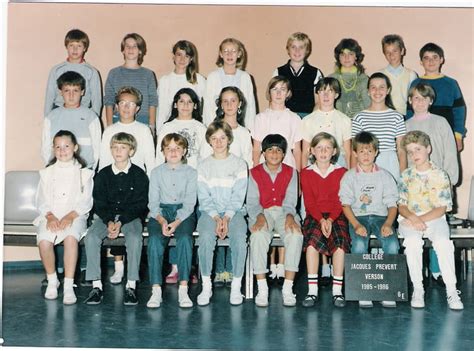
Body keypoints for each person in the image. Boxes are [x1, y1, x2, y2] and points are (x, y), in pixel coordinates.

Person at [398, 130, 463, 310]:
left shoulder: (440, 174)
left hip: (434, 218)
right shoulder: (406, 176)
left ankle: (451, 290)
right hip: (409, 219)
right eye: (410, 152)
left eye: (418, 149)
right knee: (412, 242)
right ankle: (418, 289)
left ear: (428, 149)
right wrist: (413, 218)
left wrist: (420, 220)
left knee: (443, 243)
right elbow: (401, 205)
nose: (414, 155)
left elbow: (442, 207)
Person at [84, 132, 149, 306]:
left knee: (135, 238)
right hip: (106, 217)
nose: (118, 151)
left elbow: (141, 204)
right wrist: (109, 221)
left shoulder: (139, 174)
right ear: (111, 150)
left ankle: (131, 286)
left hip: (130, 217)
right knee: (91, 237)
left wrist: (121, 222)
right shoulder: (103, 174)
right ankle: (96, 286)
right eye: (115, 147)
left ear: (131, 151)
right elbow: (99, 202)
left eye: (123, 147)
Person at [98, 86, 154, 285]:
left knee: (130, 224)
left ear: (137, 108)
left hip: (136, 186)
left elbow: (151, 161)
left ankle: (132, 274)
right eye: (122, 103)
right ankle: (118, 266)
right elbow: (104, 164)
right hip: (114, 185)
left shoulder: (143, 130)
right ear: (116, 107)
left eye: (131, 104)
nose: (126, 107)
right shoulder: (109, 131)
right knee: (113, 216)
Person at [406, 83, 459, 288]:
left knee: (438, 227)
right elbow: (405, 157)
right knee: (416, 228)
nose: (419, 102)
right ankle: (419, 274)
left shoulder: (441, 122)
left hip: (438, 186)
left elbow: (450, 153)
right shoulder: (406, 125)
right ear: (410, 101)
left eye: (423, 98)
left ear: (431, 100)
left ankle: (438, 271)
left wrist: (450, 180)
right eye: (415, 98)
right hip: (415, 188)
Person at [339, 131, 399, 308]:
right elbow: (345, 204)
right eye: (362, 151)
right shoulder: (349, 176)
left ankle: (388, 290)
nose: (366, 155)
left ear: (376, 152)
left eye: (370, 151)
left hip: (382, 217)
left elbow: (392, 205)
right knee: (358, 244)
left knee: (392, 244)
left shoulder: (385, 176)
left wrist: (388, 223)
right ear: (355, 153)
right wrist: (356, 224)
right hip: (359, 217)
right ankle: (362, 290)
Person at [34, 130, 94, 305]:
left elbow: (86, 201)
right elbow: (41, 199)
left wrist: (70, 216)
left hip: (75, 215)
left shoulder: (85, 173)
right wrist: (50, 217)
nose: (62, 150)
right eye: (58, 147)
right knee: (44, 241)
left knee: (70, 239)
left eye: (66, 146)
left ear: (75, 148)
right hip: (50, 215)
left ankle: (68, 285)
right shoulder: (46, 173)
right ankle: (53, 281)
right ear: (53, 149)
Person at [196, 120, 248, 306]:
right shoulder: (203, 165)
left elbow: (238, 195)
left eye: (222, 138)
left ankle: (236, 286)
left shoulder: (240, 164)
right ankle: (206, 286)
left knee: (240, 238)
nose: (218, 142)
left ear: (229, 139)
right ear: (209, 141)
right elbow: (203, 197)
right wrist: (217, 218)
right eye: (214, 138)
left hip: (234, 213)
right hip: (210, 214)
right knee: (205, 238)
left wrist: (226, 217)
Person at [248, 134, 303, 307]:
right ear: (263, 152)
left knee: (295, 235)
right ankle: (262, 288)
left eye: (278, 150)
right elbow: (251, 201)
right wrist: (259, 215)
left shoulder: (291, 172)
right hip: (261, 211)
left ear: (284, 153)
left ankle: (288, 288)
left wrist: (289, 217)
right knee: (258, 235)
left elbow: (291, 200)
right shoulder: (254, 173)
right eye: (270, 149)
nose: (274, 153)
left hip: (284, 211)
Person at [146, 133, 197, 309]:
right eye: (169, 148)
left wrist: (176, 222)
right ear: (163, 151)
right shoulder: (156, 172)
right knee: (154, 241)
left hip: (183, 213)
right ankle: (156, 289)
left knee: (184, 239)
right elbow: (152, 203)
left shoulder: (191, 173)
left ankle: (183, 288)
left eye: (177, 148)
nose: (173, 152)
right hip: (161, 212)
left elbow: (190, 203)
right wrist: (161, 221)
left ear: (184, 151)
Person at [211, 86, 253, 287]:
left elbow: (248, 163)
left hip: (237, 190)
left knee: (235, 224)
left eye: (233, 100)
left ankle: (234, 271)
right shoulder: (213, 130)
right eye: (225, 101)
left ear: (240, 104)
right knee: (216, 222)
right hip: (216, 189)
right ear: (220, 104)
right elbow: (206, 160)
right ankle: (220, 270)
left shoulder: (244, 133)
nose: (229, 105)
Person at [300, 132, 349, 308]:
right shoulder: (305, 173)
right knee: (312, 244)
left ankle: (337, 291)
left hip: (337, 214)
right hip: (315, 216)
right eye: (319, 148)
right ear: (312, 150)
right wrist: (321, 220)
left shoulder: (342, 172)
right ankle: (312, 291)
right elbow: (310, 203)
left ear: (334, 151)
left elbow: (341, 200)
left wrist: (331, 219)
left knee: (340, 243)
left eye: (327, 148)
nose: (323, 152)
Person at [406, 42, 466, 152]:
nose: (431, 61)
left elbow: (459, 111)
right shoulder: (416, 83)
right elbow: (409, 111)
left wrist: (458, 136)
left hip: (445, 135)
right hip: (420, 134)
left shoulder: (451, 83)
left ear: (441, 59)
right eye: (426, 58)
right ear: (421, 62)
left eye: (435, 57)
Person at [351, 72, 407, 180]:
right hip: (366, 164)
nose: (377, 91)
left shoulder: (397, 116)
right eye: (373, 87)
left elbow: (401, 150)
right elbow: (355, 150)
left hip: (390, 164)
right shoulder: (359, 117)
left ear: (388, 90)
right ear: (368, 91)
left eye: (382, 87)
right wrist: (353, 176)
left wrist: (403, 177)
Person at [42, 71, 101, 170]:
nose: (71, 95)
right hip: (58, 169)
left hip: (84, 170)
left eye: (75, 90)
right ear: (60, 92)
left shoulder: (91, 116)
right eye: (67, 91)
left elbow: (97, 147)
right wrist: (51, 167)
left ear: (82, 92)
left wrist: (91, 170)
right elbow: (45, 147)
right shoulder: (51, 117)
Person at [104, 33, 158, 131]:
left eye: (135, 46)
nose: (130, 49)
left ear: (140, 51)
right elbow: (109, 100)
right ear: (123, 50)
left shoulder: (148, 74)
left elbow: (152, 101)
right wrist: (109, 125)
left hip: (143, 120)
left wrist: (152, 125)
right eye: (127, 46)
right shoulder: (114, 73)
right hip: (119, 120)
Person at [44, 29, 102, 117]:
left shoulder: (91, 72)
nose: (75, 49)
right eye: (71, 45)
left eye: (79, 46)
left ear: (85, 48)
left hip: (83, 112)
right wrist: (47, 119)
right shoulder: (57, 70)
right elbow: (49, 97)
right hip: (59, 111)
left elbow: (96, 100)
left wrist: (93, 120)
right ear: (66, 47)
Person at [203, 38, 256, 129]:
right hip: (218, 128)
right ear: (221, 54)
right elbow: (208, 106)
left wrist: (249, 130)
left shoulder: (245, 77)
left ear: (239, 54)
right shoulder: (213, 77)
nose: (229, 54)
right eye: (226, 51)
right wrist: (212, 129)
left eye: (233, 51)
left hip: (240, 126)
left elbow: (250, 106)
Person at [252, 76, 302, 171]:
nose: (278, 93)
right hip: (265, 166)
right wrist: (255, 171)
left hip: (288, 165)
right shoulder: (260, 118)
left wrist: (298, 174)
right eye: (275, 89)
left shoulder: (295, 118)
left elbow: (297, 151)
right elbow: (256, 149)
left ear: (288, 93)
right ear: (269, 93)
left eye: (282, 89)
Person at [301, 77, 351, 168]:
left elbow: (348, 153)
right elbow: (305, 153)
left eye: (330, 91)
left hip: (338, 164)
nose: (326, 95)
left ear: (336, 95)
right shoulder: (307, 120)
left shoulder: (345, 120)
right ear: (317, 94)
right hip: (314, 164)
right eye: (322, 91)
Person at [157, 40, 206, 130]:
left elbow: (207, 107)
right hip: (171, 128)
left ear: (191, 59)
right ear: (174, 56)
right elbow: (162, 111)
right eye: (179, 54)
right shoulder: (165, 81)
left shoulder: (199, 80)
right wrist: (160, 132)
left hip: (193, 127)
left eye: (186, 56)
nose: (182, 59)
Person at [156, 88, 211, 169]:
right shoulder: (167, 127)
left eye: (189, 102)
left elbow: (206, 156)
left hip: (195, 175)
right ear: (175, 105)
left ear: (195, 105)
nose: (186, 105)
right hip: (171, 173)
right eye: (181, 101)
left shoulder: (201, 128)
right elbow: (159, 156)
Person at [272, 32, 323, 118]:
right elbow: (273, 100)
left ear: (307, 50)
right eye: (293, 47)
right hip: (284, 117)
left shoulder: (315, 73)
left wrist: (308, 120)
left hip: (307, 117)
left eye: (301, 47)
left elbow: (319, 102)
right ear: (288, 49)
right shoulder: (278, 72)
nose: (297, 51)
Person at [329, 38, 370, 118]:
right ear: (338, 57)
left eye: (350, 54)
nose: (346, 58)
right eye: (343, 54)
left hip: (359, 122)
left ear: (356, 57)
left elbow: (368, 106)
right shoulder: (331, 79)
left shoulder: (364, 79)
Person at [377, 34, 417, 115]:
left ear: (402, 51)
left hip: (405, 116)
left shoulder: (411, 74)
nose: (391, 55)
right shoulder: (379, 74)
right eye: (387, 52)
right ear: (384, 54)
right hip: (385, 116)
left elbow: (414, 100)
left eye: (395, 51)